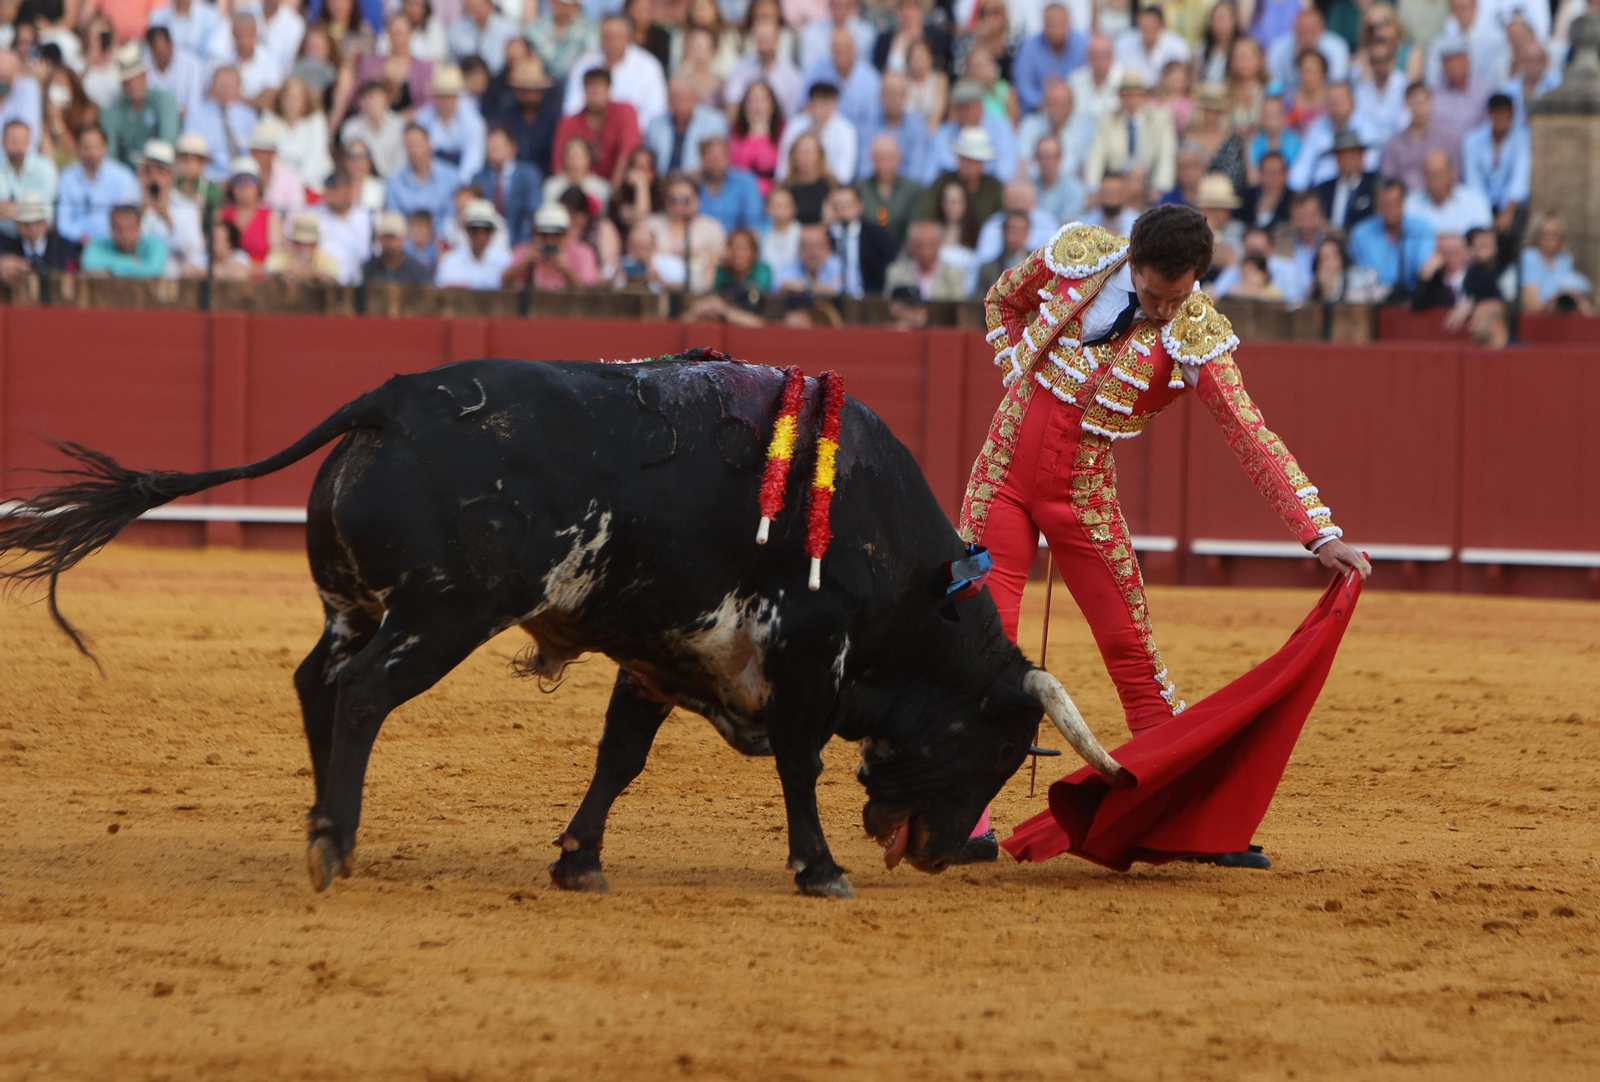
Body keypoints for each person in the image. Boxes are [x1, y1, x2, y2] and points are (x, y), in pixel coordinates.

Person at [961, 207, 1370, 863]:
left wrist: (1319, 533)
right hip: (1001, 478)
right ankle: (966, 818)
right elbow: (1004, 297)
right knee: (981, 643)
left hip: (1082, 492)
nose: (1160, 310)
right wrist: (1021, 369)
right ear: (1131, 261)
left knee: (1134, 653)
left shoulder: (1195, 329)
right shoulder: (1081, 254)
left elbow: (1248, 431)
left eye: (1176, 297)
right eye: (1152, 295)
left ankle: (1184, 819)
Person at [561, 14, 668, 132]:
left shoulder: (649, 66)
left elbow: (655, 114)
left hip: (633, 138)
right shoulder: (584, 64)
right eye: (607, 37)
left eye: (617, 37)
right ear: (600, 38)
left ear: (628, 38)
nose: (612, 42)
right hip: (588, 139)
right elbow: (571, 108)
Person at [1084, 71, 1176, 193]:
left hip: (1148, 182)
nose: (1131, 100)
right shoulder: (1107, 120)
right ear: (1120, 97)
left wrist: (1160, 188)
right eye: (1126, 95)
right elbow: (1096, 154)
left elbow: (1166, 155)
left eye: (1135, 95)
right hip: (1117, 181)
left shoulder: (1160, 118)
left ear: (1143, 96)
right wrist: (1093, 187)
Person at [1347, 177, 1434, 300]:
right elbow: (1363, 276)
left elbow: (1423, 271)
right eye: (1385, 204)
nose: (1391, 209)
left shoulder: (1421, 229)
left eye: (1395, 203)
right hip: (1374, 302)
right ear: (1376, 206)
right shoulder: (1360, 234)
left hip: (1413, 301)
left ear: (1404, 203)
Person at [57, 125, 141, 251]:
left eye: (96, 147)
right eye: (86, 147)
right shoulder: (66, 177)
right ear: (78, 148)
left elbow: (128, 219)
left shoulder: (122, 176)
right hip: (75, 244)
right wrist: (79, 236)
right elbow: (63, 221)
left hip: (113, 244)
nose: (91, 152)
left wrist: (104, 240)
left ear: (105, 147)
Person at [552, 67, 640, 186]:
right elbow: (559, 163)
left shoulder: (625, 112)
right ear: (584, 90)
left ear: (609, 89)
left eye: (600, 86)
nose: (596, 91)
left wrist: (613, 192)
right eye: (591, 87)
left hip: (619, 188)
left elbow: (627, 152)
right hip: (579, 188)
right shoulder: (568, 123)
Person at [1461, 93, 1529, 240]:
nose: (1501, 120)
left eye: (1505, 115)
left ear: (1512, 116)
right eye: (1497, 114)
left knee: (1511, 232)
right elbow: (1474, 181)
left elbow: (1520, 179)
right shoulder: (1472, 140)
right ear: (1489, 114)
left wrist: (1508, 212)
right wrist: (1485, 215)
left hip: (1512, 205)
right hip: (1480, 202)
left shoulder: (1523, 140)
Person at [922, 78, 1015, 185]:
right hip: (950, 191)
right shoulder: (942, 134)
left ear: (981, 106)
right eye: (962, 108)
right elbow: (928, 177)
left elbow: (1006, 172)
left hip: (989, 190)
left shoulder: (1001, 128)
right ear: (955, 110)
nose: (967, 113)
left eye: (971, 108)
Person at [102, 44, 180, 170]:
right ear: (122, 84)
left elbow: (167, 141)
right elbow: (110, 154)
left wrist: (150, 171)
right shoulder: (111, 113)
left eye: (137, 77)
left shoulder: (164, 101)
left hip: (159, 170)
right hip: (126, 177)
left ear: (144, 76)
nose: (133, 84)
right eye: (128, 80)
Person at [645, 171, 726, 293]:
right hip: (657, 294)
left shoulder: (712, 228)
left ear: (697, 200)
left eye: (686, 200)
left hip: (699, 294)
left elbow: (718, 264)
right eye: (673, 200)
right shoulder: (651, 225)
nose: (679, 205)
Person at [137, 138, 206, 278]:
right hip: (136, 272)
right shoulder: (128, 203)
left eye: (161, 171)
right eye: (148, 170)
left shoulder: (186, 206)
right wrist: (140, 213)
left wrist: (169, 220)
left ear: (171, 176)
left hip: (173, 275)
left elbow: (195, 249)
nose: (154, 177)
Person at [1379, 83, 1458, 194]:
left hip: (1439, 198)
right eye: (1414, 103)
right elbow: (1387, 179)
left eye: (1423, 101)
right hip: (1405, 202)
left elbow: (1455, 174)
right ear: (1406, 104)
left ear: (1431, 102)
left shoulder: (1447, 138)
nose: (1419, 108)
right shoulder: (1394, 143)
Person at [502, 200, 600, 291]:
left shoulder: (583, 254)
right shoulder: (523, 252)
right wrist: (525, 263)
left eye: (557, 234)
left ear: (566, 234)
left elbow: (590, 293)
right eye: (544, 234)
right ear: (535, 234)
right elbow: (504, 283)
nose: (550, 241)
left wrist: (566, 271)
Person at [183, 65, 258, 182]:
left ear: (239, 89)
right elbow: (191, 151)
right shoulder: (197, 114)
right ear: (212, 86)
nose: (226, 90)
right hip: (209, 177)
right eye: (222, 85)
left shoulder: (248, 116)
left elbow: (254, 153)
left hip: (242, 180)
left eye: (230, 86)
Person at [775, 81, 856, 187]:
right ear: (809, 104)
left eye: (827, 103)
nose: (822, 109)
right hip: (795, 185)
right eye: (818, 103)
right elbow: (782, 168)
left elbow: (844, 175)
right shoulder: (794, 126)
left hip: (831, 188)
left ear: (835, 105)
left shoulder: (846, 131)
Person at [918, 125, 1003, 226]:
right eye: (967, 159)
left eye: (977, 161)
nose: (971, 166)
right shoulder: (941, 183)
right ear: (958, 158)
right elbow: (924, 217)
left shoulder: (995, 187)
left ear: (983, 164)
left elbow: (1001, 222)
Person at [723, 14, 803, 120]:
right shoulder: (741, 67)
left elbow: (792, 115)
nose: (764, 43)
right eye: (760, 38)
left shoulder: (791, 75)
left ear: (777, 39)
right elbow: (732, 104)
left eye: (768, 37)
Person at [1012, 2, 1087, 115]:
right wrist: (1044, 103)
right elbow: (1023, 84)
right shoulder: (1029, 47)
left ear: (1069, 23)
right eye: (1051, 23)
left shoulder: (1084, 44)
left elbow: (1089, 80)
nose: (1056, 28)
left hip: (1077, 111)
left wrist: (1066, 103)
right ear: (1043, 24)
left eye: (1060, 22)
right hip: (1039, 112)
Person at [415, 65, 486, 183]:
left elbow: (473, 162)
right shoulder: (422, 118)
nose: (445, 101)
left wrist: (458, 186)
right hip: (429, 180)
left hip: (462, 182)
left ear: (458, 96)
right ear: (434, 96)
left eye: (450, 95)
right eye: (441, 95)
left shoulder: (474, 122)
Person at [644, 76, 728, 175]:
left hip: (699, 182)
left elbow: (717, 160)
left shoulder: (715, 122)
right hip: (662, 182)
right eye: (674, 96)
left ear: (695, 97)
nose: (679, 101)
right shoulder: (655, 124)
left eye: (684, 96)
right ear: (668, 100)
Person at [854, 70, 926, 185]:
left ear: (905, 96)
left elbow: (916, 169)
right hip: (873, 188)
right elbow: (864, 167)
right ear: (880, 95)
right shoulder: (867, 125)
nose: (894, 99)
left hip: (905, 190)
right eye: (889, 93)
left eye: (898, 94)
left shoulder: (916, 126)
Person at [803, 25, 880, 134]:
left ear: (854, 50)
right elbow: (804, 107)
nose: (841, 53)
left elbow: (873, 120)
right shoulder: (816, 73)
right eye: (836, 49)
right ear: (830, 50)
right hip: (822, 134)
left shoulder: (870, 79)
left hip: (860, 137)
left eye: (845, 49)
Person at [492, 58, 563, 174]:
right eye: (525, 90)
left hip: (544, 176)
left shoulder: (552, 117)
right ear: (517, 91)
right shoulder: (505, 114)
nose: (531, 96)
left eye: (535, 90)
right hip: (510, 177)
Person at [474, 123, 541, 245]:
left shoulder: (528, 175)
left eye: (497, 147)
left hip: (521, 243)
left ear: (512, 148)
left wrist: (520, 246)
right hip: (487, 246)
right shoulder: (478, 178)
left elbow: (532, 213)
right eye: (489, 147)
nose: (492, 151)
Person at [855, 132, 921, 251]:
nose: (885, 162)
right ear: (872, 159)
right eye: (879, 157)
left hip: (902, 253)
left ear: (898, 158)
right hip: (867, 253)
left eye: (890, 157)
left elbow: (915, 226)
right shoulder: (859, 188)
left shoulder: (913, 190)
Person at [824, 183, 891, 298]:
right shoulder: (826, 236)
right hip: (832, 299)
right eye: (838, 205)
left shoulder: (875, 235)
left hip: (869, 300)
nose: (844, 210)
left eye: (848, 204)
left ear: (860, 205)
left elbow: (886, 269)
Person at [1403, 149, 1491, 236]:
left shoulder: (1475, 202)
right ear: (1423, 176)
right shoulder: (1410, 204)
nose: (1435, 181)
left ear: (1451, 174)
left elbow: (1483, 241)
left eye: (1440, 174)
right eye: (1430, 175)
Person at [972, 177, 1054, 269]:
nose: (1018, 206)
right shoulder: (992, 225)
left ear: (1034, 200)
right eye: (1014, 200)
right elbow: (983, 262)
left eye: (1023, 200)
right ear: (1004, 201)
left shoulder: (1047, 224)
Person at [273, 75, 334, 196]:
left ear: (305, 101)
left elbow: (315, 161)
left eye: (296, 98)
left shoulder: (317, 121)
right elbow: (270, 161)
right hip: (280, 186)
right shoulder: (269, 120)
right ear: (281, 100)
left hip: (315, 182)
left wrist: (294, 187)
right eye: (287, 97)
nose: (291, 102)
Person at [1519, 216, 1593, 314]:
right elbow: (1532, 304)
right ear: (1537, 235)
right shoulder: (1529, 257)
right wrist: (1553, 302)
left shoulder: (1565, 258)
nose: (1551, 239)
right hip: (1541, 316)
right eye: (1546, 234)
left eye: (1555, 234)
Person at [0, 120, 58, 239]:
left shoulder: (45, 168)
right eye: (13, 139)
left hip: (36, 237)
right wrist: (27, 207)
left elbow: (44, 209)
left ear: (29, 141)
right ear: (3, 141)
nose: (17, 144)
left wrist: (11, 208)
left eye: (21, 139)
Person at [435, 197, 511, 287]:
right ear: (466, 230)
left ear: (492, 232)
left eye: (486, 230)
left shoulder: (506, 262)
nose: (480, 235)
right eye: (474, 229)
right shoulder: (451, 262)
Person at [315, 169, 372, 286]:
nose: (329, 193)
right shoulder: (313, 214)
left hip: (359, 283)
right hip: (323, 283)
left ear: (348, 190)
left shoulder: (365, 217)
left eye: (334, 188)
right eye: (327, 188)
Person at [884, 218, 966, 300]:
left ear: (939, 245)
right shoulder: (896, 273)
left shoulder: (954, 274)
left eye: (930, 244)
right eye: (920, 244)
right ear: (912, 246)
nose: (925, 251)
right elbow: (888, 305)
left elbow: (959, 307)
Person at [696, 134, 762, 234]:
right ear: (703, 160)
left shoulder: (745, 182)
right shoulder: (696, 184)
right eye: (711, 158)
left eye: (719, 158)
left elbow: (753, 222)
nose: (715, 163)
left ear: (728, 158)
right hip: (703, 243)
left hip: (737, 242)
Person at [340, 80, 406, 178]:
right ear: (360, 102)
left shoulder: (400, 125)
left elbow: (402, 162)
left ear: (386, 99)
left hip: (396, 183)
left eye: (377, 97)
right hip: (364, 183)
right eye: (368, 98)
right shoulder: (351, 128)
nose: (372, 103)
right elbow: (352, 163)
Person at [82, 202, 168, 277]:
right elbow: (89, 264)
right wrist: (134, 263)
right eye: (119, 228)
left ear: (139, 228)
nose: (124, 234)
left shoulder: (156, 245)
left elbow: (154, 270)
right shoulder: (95, 246)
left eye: (130, 228)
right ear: (111, 228)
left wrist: (110, 271)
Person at [1315, 130, 1378, 231]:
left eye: (1352, 155)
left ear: (1361, 157)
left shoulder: (1374, 184)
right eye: (1342, 156)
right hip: (1330, 242)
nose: (1347, 161)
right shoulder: (1323, 189)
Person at [1113, 5, 1189, 87]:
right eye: (1144, 26)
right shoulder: (1123, 43)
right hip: (1135, 94)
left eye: (1152, 26)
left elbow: (1180, 81)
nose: (1148, 31)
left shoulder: (1177, 46)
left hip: (1165, 95)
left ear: (1162, 26)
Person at [0, 195, 70, 284]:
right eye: (26, 223)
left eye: (36, 222)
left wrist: (27, 266)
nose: (32, 228)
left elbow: (65, 270)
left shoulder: (62, 245)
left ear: (45, 224)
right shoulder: (8, 246)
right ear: (18, 225)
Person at [529, 0, 599, 86]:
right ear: (551, 2)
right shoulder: (535, 28)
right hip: (542, 86)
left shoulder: (590, 28)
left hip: (577, 85)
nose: (564, 8)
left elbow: (589, 59)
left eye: (568, 4)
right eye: (560, 3)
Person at [248, 120, 307, 215]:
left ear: (274, 152)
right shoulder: (242, 176)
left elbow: (296, 214)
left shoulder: (291, 179)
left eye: (266, 151)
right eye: (257, 151)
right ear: (251, 152)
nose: (260, 156)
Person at [264, 211, 342, 281]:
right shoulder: (279, 258)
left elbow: (334, 279)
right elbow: (269, 275)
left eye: (310, 244)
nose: (304, 248)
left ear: (316, 244)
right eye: (300, 243)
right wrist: (285, 274)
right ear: (293, 242)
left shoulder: (327, 260)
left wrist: (311, 274)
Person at [448, 0, 519, 77]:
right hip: (468, 81)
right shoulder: (456, 30)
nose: (475, 9)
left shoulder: (508, 30)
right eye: (471, 5)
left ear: (490, 5)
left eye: (479, 5)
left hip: (500, 81)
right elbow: (452, 63)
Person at [362, 209, 434, 284]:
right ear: (379, 239)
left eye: (394, 238)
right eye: (386, 237)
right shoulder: (368, 269)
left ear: (403, 239)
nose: (390, 243)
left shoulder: (418, 272)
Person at [173, 131, 223, 232]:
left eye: (193, 161)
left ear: (202, 164)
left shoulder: (211, 190)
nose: (188, 166)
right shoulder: (171, 185)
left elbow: (216, 221)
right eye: (184, 160)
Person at [775, 220, 842, 294]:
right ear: (799, 250)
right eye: (808, 247)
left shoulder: (837, 265)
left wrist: (803, 287)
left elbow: (836, 290)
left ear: (828, 248)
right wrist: (816, 288)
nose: (814, 253)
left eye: (819, 246)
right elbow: (782, 285)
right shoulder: (789, 267)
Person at [975, 208, 1031, 295]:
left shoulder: (1039, 265)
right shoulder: (988, 270)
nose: (1016, 235)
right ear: (1004, 232)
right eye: (1013, 230)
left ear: (1027, 232)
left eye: (1021, 230)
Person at [1238, 149, 1290, 230]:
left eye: (1276, 172)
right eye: (1268, 172)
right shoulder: (1246, 196)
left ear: (1285, 173)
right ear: (1260, 173)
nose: (1272, 177)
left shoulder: (1293, 199)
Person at [1079, 171, 1138, 235]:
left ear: (1125, 193)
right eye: (1107, 192)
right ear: (1100, 193)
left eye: (1115, 193)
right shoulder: (1086, 222)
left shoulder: (1136, 224)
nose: (1111, 198)